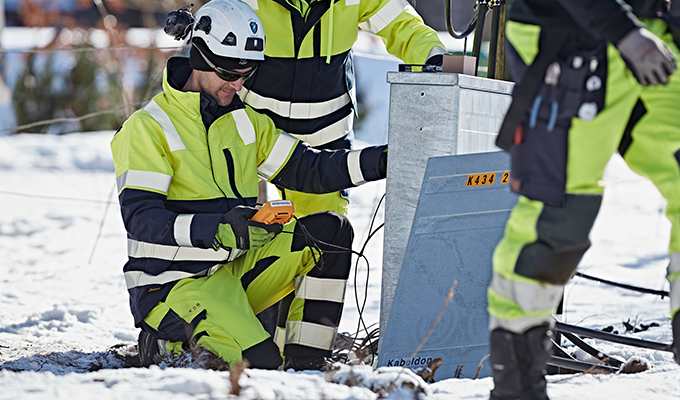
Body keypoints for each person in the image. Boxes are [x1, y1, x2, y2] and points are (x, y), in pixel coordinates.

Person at [110, 0, 387, 371]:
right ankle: (160, 344)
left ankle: (307, 362)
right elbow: (143, 221)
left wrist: (383, 161)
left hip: (233, 273)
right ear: (200, 57)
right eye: (228, 72)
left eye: (247, 73)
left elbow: (312, 168)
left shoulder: (245, 121)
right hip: (173, 287)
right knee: (258, 363)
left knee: (330, 231)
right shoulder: (147, 129)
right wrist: (220, 228)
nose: (237, 84)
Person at [488, 0, 680, 398]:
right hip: (570, 35)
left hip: (657, 36)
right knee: (557, 214)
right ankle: (518, 384)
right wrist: (623, 30)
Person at [238, 0, 446, 218]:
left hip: (325, 140)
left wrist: (435, 57)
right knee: (237, 233)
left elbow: (402, 24)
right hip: (254, 136)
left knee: (321, 240)